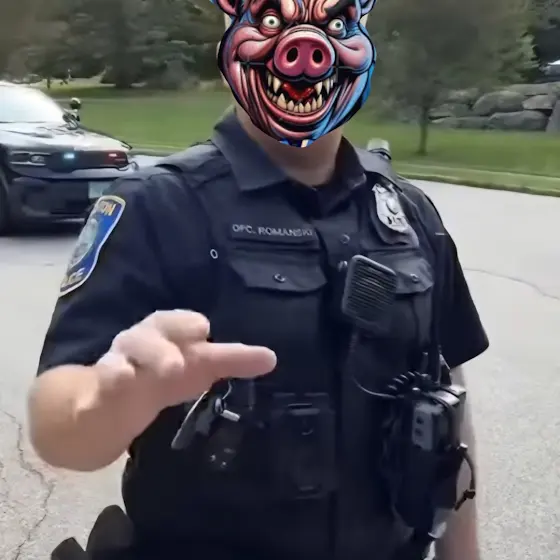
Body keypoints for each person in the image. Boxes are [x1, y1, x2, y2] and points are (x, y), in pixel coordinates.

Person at [28, 2, 488, 560]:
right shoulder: (158, 207)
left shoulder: (409, 215)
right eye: (270, 20)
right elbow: (56, 426)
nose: (306, 49)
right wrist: (113, 399)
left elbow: (449, 405)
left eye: (335, 22)